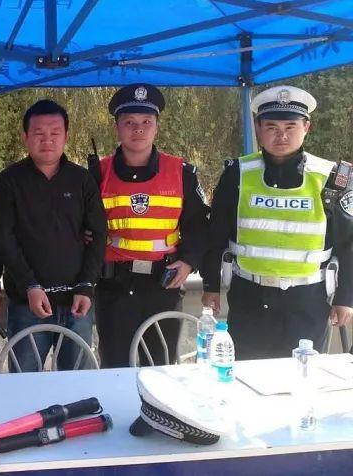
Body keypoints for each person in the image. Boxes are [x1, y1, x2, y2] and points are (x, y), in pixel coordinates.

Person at [201, 85, 353, 359]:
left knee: (301, 378)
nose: (281, 135)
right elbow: (216, 234)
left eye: (290, 127)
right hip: (249, 299)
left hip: (308, 302)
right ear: (258, 128)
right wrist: (210, 285)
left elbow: (349, 244)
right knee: (247, 376)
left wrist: (346, 299)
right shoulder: (237, 174)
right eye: (271, 127)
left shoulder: (332, 178)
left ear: (306, 127)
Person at [90, 84, 209, 368]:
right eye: (129, 123)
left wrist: (188, 262)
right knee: (115, 368)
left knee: (162, 368)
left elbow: (199, 225)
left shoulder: (181, 172)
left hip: (163, 286)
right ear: (117, 128)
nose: (138, 129)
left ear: (156, 127)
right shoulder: (97, 174)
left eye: (146, 122)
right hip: (114, 288)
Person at [0, 99, 107, 372]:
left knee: (77, 385)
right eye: (39, 133)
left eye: (55, 132)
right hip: (27, 305)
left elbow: (99, 235)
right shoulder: (9, 181)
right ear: (25, 137)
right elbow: (2, 238)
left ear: (66, 136)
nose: (47, 140)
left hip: (77, 305)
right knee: (24, 384)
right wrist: (29, 284)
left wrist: (86, 286)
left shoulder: (82, 180)